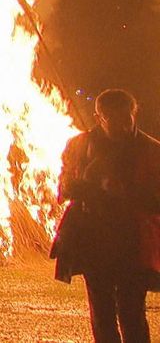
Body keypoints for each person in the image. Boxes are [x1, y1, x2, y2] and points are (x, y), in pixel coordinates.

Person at [52, 89, 160, 343]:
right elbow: (65, 188)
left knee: (132, 310)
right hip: (93, 239)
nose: (121, 126)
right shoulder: (79, 146)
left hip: (133, 240)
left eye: (126, 119)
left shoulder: (152, 151)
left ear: (133, 114)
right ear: (99, 117)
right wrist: (90, 181)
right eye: (112, 119)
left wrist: (125, 191)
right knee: (101, 312)